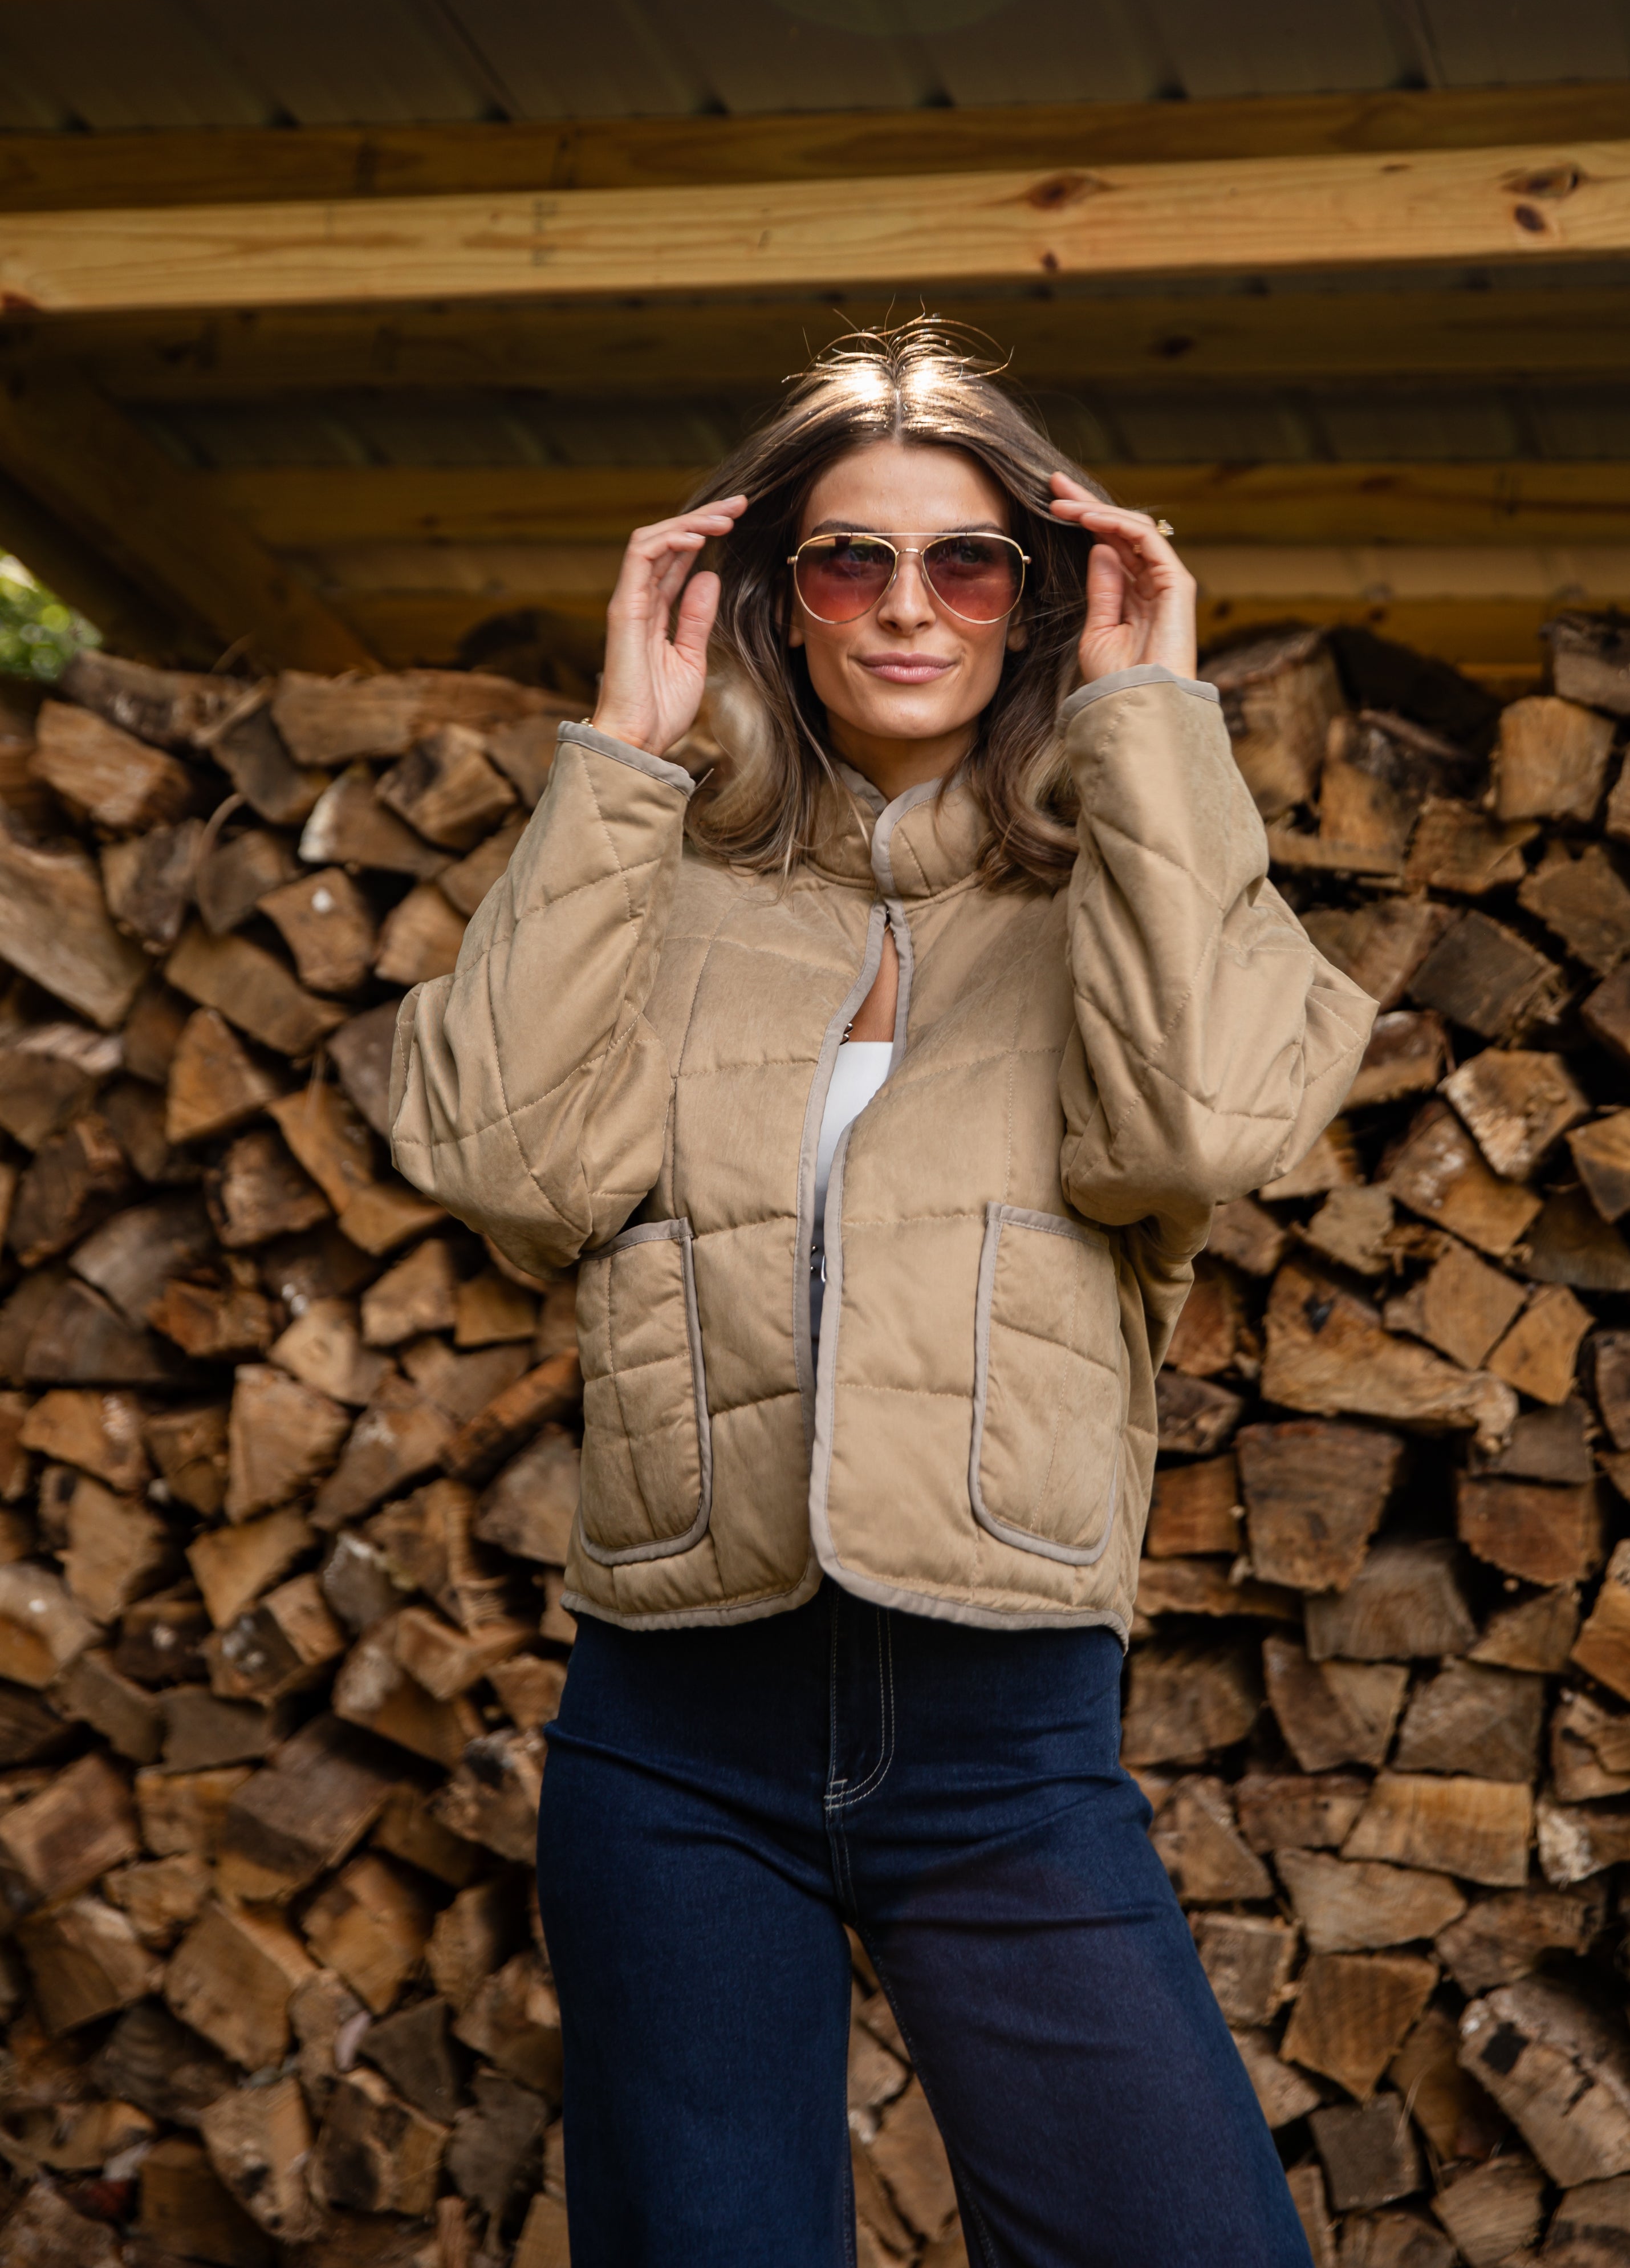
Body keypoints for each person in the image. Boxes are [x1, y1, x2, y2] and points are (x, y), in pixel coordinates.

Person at [390, 324, 1375, 2268]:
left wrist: (1154, 725)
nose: (905, 608)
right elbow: (499, 1165)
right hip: (669, 1736)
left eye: (968, 563)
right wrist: (617, 755)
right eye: (847, 560)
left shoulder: (1123, 896)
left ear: (1038, 597)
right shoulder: (661, 888)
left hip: (1004, 1738)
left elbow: (1185, 1133)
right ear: (777, 599)